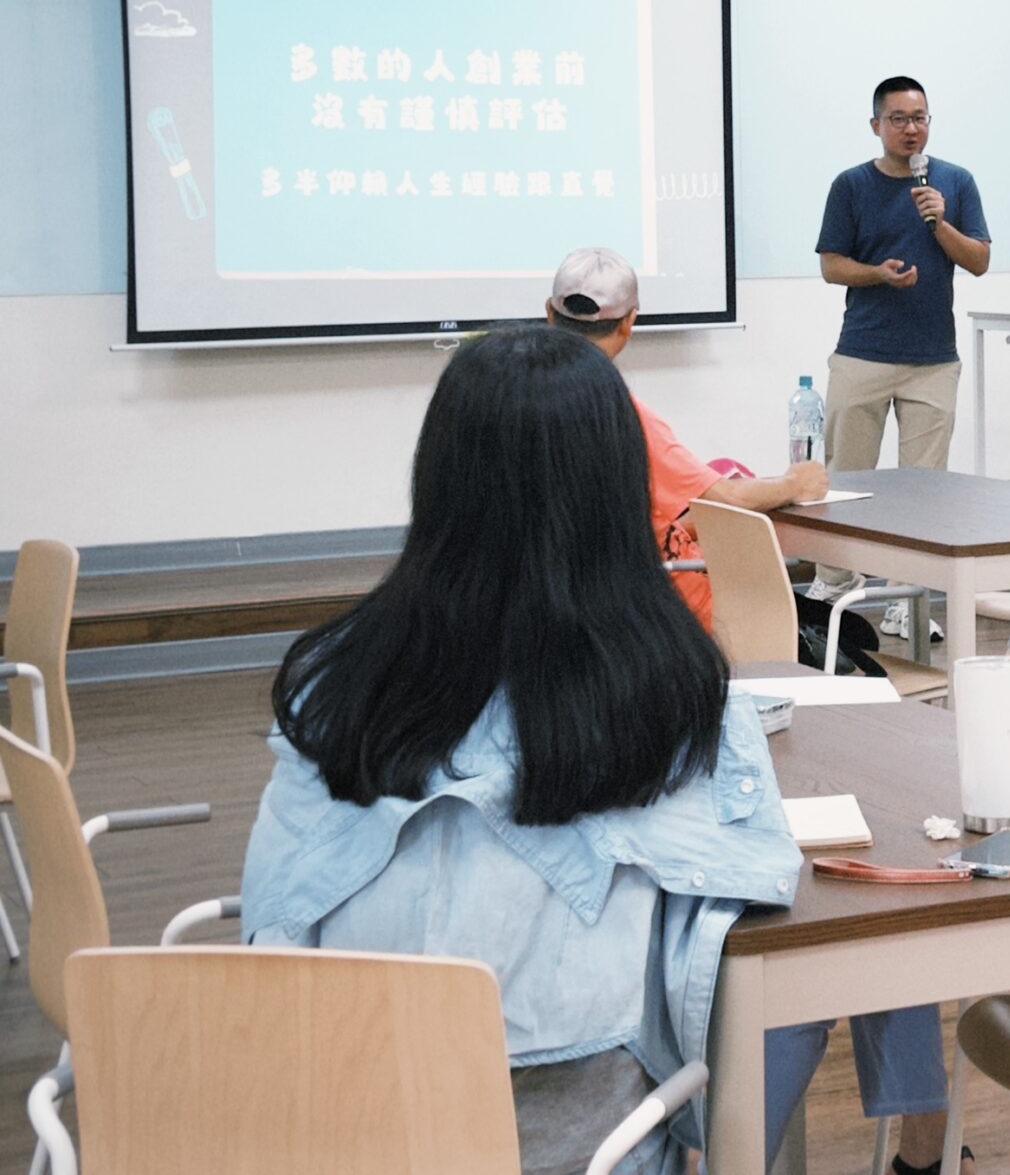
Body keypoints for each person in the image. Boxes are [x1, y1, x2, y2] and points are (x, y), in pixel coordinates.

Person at [239, 326, 813, 1173]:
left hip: (335, 1130)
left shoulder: (335, 689)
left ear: (438, 485)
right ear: (616, 493)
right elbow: (732, 981)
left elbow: (271, 927)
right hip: (591, 1151)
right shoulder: (681, 703)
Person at [545, 250, 966, 1175]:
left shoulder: (372, 726)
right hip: (687, 701)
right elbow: (716, 500)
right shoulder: (624, 424)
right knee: (851, 900)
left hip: (664, 711)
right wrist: (794, 482)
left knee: (842, 900)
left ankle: (902, 1149)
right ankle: (916, 1153)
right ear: (628, 327)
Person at [546, 247, 826, 632]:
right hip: (674, 622)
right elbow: (732, 498)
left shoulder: (509, 407)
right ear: (630, 323)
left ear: (549, 314)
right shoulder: (623, 416)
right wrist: (797, 482)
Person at [814, 76, 991, 640]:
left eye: (920, 118)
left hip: (933, 359)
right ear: (876, 126)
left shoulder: (955, 183)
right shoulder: (850, 186)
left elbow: (980, 261)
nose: (911, 128)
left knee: (923, 489)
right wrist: (877, 275)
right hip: (863, 352)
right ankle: (832, 587)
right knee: (846, 479)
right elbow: (832, 265)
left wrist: (941, 223)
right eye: (898, 119)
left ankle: (905, 601)